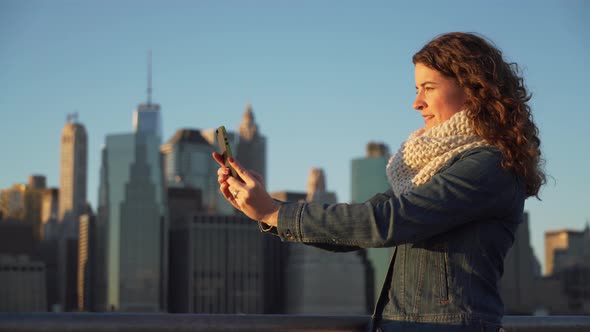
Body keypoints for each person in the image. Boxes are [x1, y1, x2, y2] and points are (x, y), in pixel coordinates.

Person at [213, 32, 545, 332]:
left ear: (474, 89)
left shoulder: (489, 164)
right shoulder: (431, 168)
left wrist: (273, 212)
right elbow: (357, 226)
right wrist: (267, 208)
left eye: (429, 88)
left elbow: (386, 222)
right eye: (417, 89)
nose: (417, 102)